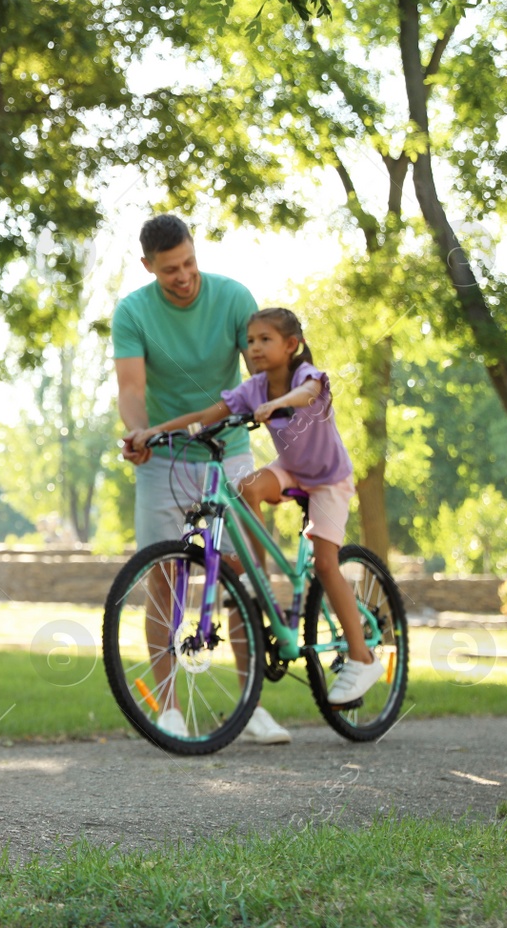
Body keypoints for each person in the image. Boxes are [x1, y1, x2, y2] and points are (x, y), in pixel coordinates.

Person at [128, 307, 383, 705]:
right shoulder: (254, 387)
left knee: (326, 564)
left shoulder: (303, 377)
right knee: (246, 486)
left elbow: (308, 394)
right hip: (292, 470)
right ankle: (258, 578)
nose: (254, 347)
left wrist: (279, 403)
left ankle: (363, 657)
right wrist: (155, 432)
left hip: (329, 480)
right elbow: (206, 415)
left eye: (265, 340)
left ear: (291, 345)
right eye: (249, 341)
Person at [113, 215, 293, 744]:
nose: (184, 276)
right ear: (149, 267)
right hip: (167, 458)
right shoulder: (134, 312)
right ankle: (169, 708)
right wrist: (137, 431)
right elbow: (130, 387)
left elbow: (262, 368)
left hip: (229, 451)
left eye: (189, 263)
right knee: (164, 580)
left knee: (243, 575)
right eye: (171, 270)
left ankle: (249, 704)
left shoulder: (234, 298)